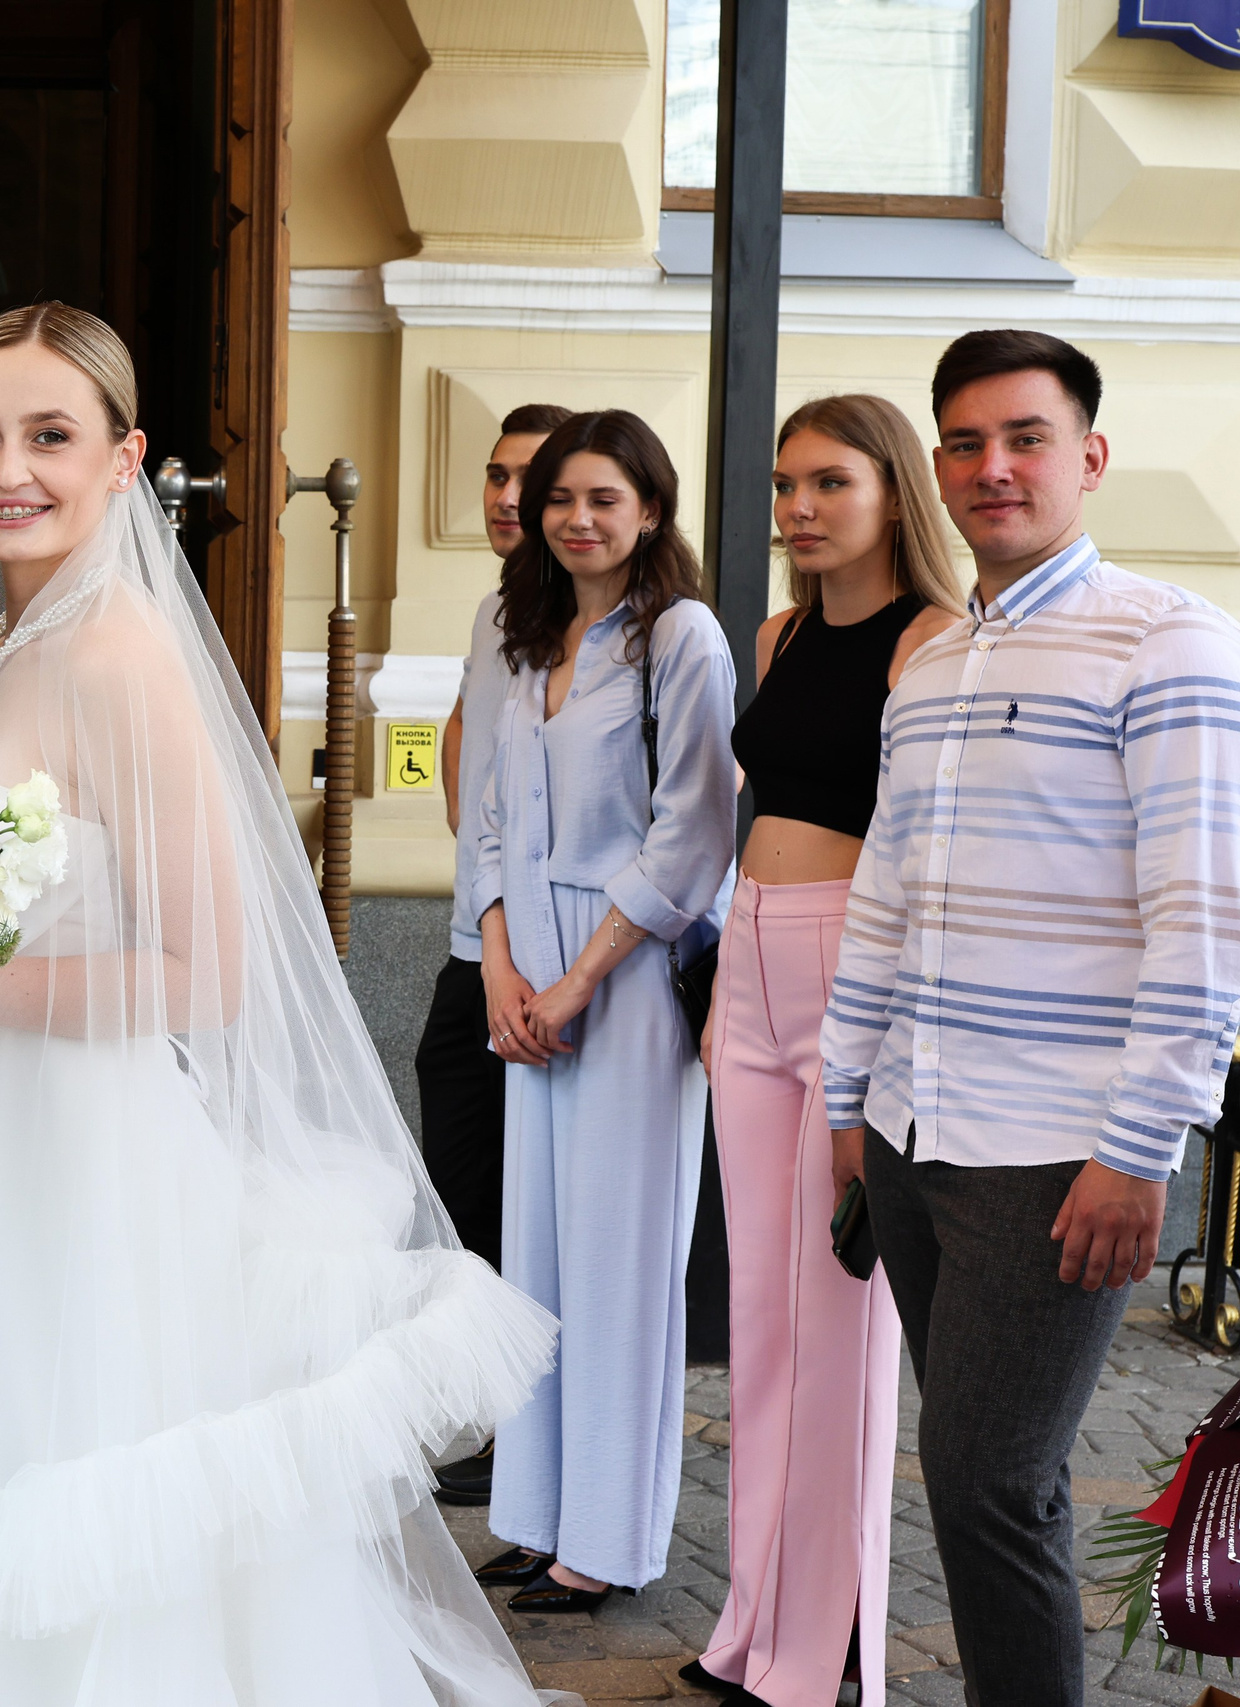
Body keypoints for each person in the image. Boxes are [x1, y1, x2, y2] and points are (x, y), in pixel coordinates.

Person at [0, 304, 560, 1704]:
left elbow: (207, 967)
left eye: (51, 437)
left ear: (125, 459)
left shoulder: (119, 650)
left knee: (81, 1517)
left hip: (79, 1161)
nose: (10, 468)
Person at [820, 331, 1240, 1707]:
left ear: (1090, 456)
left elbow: (1203, 913)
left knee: (990, 1481)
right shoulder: (932, 660)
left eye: (1026, 437)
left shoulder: (1165, 637)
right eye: (963, 441)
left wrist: (1140, 1147)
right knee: (986, 1477)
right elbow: (883, 895)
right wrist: (844, 1105)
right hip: (912, 1132)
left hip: (1059, 1157)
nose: (991, 467)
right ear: (936, 462)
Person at [687, 396, 963, 1707]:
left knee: (841, 1316)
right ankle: (750, 1619)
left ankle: (826, 1647)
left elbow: (922, 866)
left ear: (892, 492)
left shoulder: (934, 642)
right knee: (761, 1311)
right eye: (786, 482)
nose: (797, 507)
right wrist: (724, 990)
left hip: (856, 971)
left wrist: (869, 1076)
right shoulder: (780, 628)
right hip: (749, 960)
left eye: (828, 483)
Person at [471, 408, 737, 1610]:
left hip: (630, 968)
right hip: (523, 957)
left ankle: (610, 1541)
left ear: (648, 512)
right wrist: (501, 966)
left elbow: (694, 830)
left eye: (603, 500)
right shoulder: (509, 627)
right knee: (534, 1252)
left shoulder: (680, 637)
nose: (578, 518)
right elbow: (484, 812)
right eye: (560, 498)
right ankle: (532, 1511)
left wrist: (580, 975)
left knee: (621, 1258)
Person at [418, 401, 570, 1508]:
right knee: (461, 1175)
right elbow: (468, 725)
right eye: (495, 474)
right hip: (472, 942)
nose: (506, 497)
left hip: (547, 961)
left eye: (534, 478)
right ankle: (487, 1411)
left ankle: (535, 1432)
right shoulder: (491, 607)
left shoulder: (603, 618)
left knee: (534, 1196)